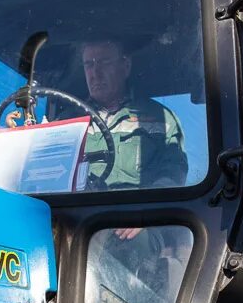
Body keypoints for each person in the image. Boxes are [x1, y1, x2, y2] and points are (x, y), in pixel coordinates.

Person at [76, 38, 188, 193]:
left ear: (126, 66)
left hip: (138, 213)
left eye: (105, 62)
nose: (96, 73)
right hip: (78, 213)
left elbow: (173, 171)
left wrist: (147, 205)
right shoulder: (66, 122)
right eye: (89, 64)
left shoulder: (162, 118)